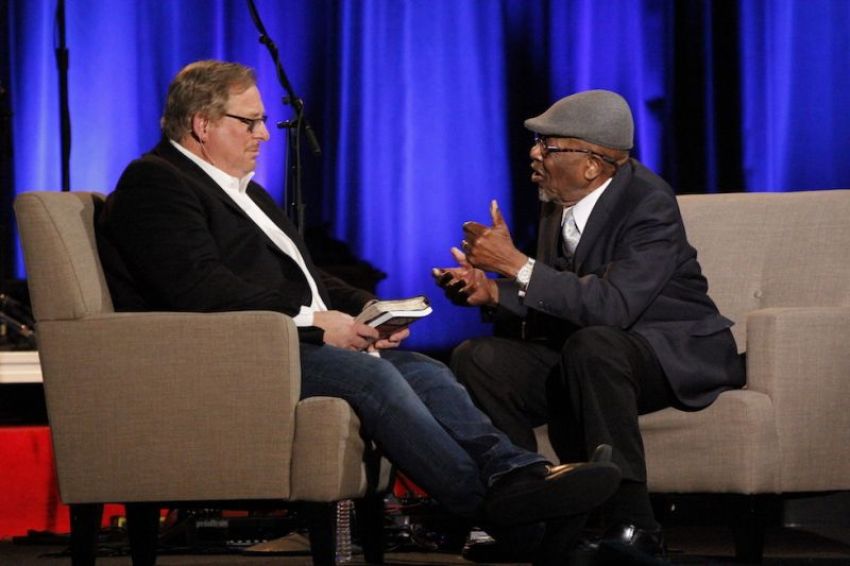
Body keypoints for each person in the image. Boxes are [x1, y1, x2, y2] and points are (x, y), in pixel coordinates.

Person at [95, 60, 623, 556]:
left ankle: (519, 476)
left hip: (280, 341)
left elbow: (308, 276)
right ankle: (489, 505)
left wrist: (370, 309)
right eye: (250, 122)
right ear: (202, 124)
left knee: (425, 371)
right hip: (232, 354)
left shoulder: (243, 191)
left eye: (262, 122)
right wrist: (316, 323)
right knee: (374, 377)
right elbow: (201, 290)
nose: (264, 134)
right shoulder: (155, 183)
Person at [435, 89, 745, 559]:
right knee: (479, 358)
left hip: (665, 353)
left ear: (592, 165)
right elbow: (566, 295)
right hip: (591, 352)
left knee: (595, 345)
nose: (534, 154)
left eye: (548, 146)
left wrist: (517, 264)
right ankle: (530, 513)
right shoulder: (557, 200)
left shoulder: (649, 203)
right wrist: (494, 293)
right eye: (537, 143)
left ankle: (635, 526)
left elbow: (613, 306)